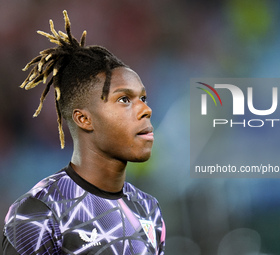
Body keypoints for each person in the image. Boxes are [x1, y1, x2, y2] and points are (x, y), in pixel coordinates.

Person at [2, 10, 166, 254]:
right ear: (84, 118)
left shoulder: (148, 208)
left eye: (142, 97)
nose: (145, 110)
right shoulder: (38, 213)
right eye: (123, 99)